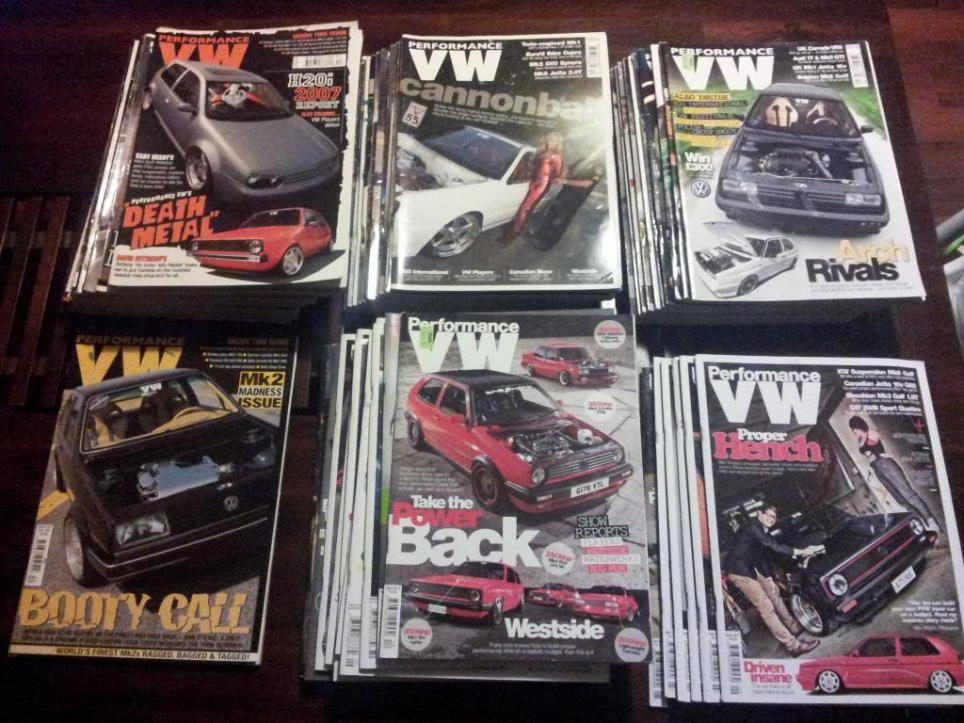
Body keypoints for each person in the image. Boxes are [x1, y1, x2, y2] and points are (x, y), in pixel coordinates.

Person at [724, 504, 823, 656]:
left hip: (752, 567)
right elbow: (773, 546)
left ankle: (794, 627)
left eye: (774, 517)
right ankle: (793, 646)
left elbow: (762, 555)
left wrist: (769, 577)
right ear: (759, 513)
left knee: (774, 594)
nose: (771, 519)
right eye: (768, 515)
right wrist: (801, 551)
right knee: (766, 607)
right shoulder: (752, 527)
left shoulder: (762, 529)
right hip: (739, 571)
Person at [848, 416, 941, 532]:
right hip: (877, 469)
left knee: (909, 495)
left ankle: (931, 521)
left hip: (886, 464)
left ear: (858, 426)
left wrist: (882, 454)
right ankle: (922, 523)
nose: (853, 431)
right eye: (852, 429)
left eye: (853, 428)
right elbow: (869, 454)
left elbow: (877, 441)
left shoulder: (870, 433)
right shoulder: (860, 440)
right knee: (900, 499)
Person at [507, 132, 565, 237]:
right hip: (532, 180)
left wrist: (550, 179)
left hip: (542, 183)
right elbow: (533, 164)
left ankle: (517, 229)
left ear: (557, 143)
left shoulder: (557, 156)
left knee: (526, 206)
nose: (549, 141)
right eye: (548, 138)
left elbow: (558, 172)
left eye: (552, 140)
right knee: (526, 205)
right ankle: (521, 224)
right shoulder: (542, 150)